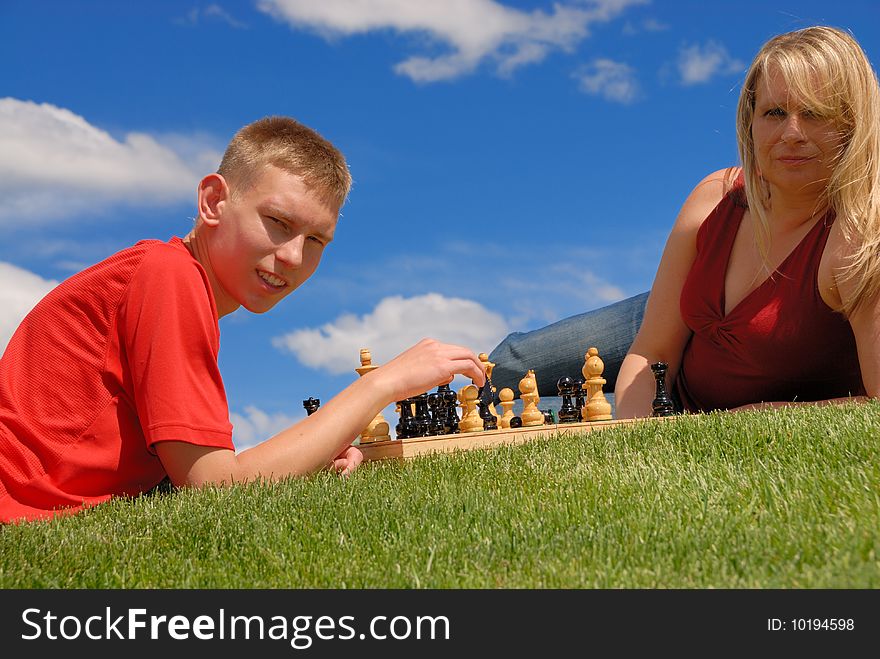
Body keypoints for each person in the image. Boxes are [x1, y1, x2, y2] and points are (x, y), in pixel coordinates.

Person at [0, 116, 486, 524]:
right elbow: (215, 489)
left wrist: (312, 452)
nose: (294, 256)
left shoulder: (171, 280)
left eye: (317, 240)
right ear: (213, 201)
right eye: (278, 222)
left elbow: (198, 473)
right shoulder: (168, 275)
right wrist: (381, 384)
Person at [490, 25, 880, 418]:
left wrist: (744, 416)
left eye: (815, 113)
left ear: (854, 125)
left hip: (682, 406)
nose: (791, 133)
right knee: (506, 365)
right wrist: (637, 431)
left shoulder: (859, 243)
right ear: (750, 122)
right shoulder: (716, 197)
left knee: (535, 413)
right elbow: (652, 350)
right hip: (675, 314)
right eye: (774, 112)